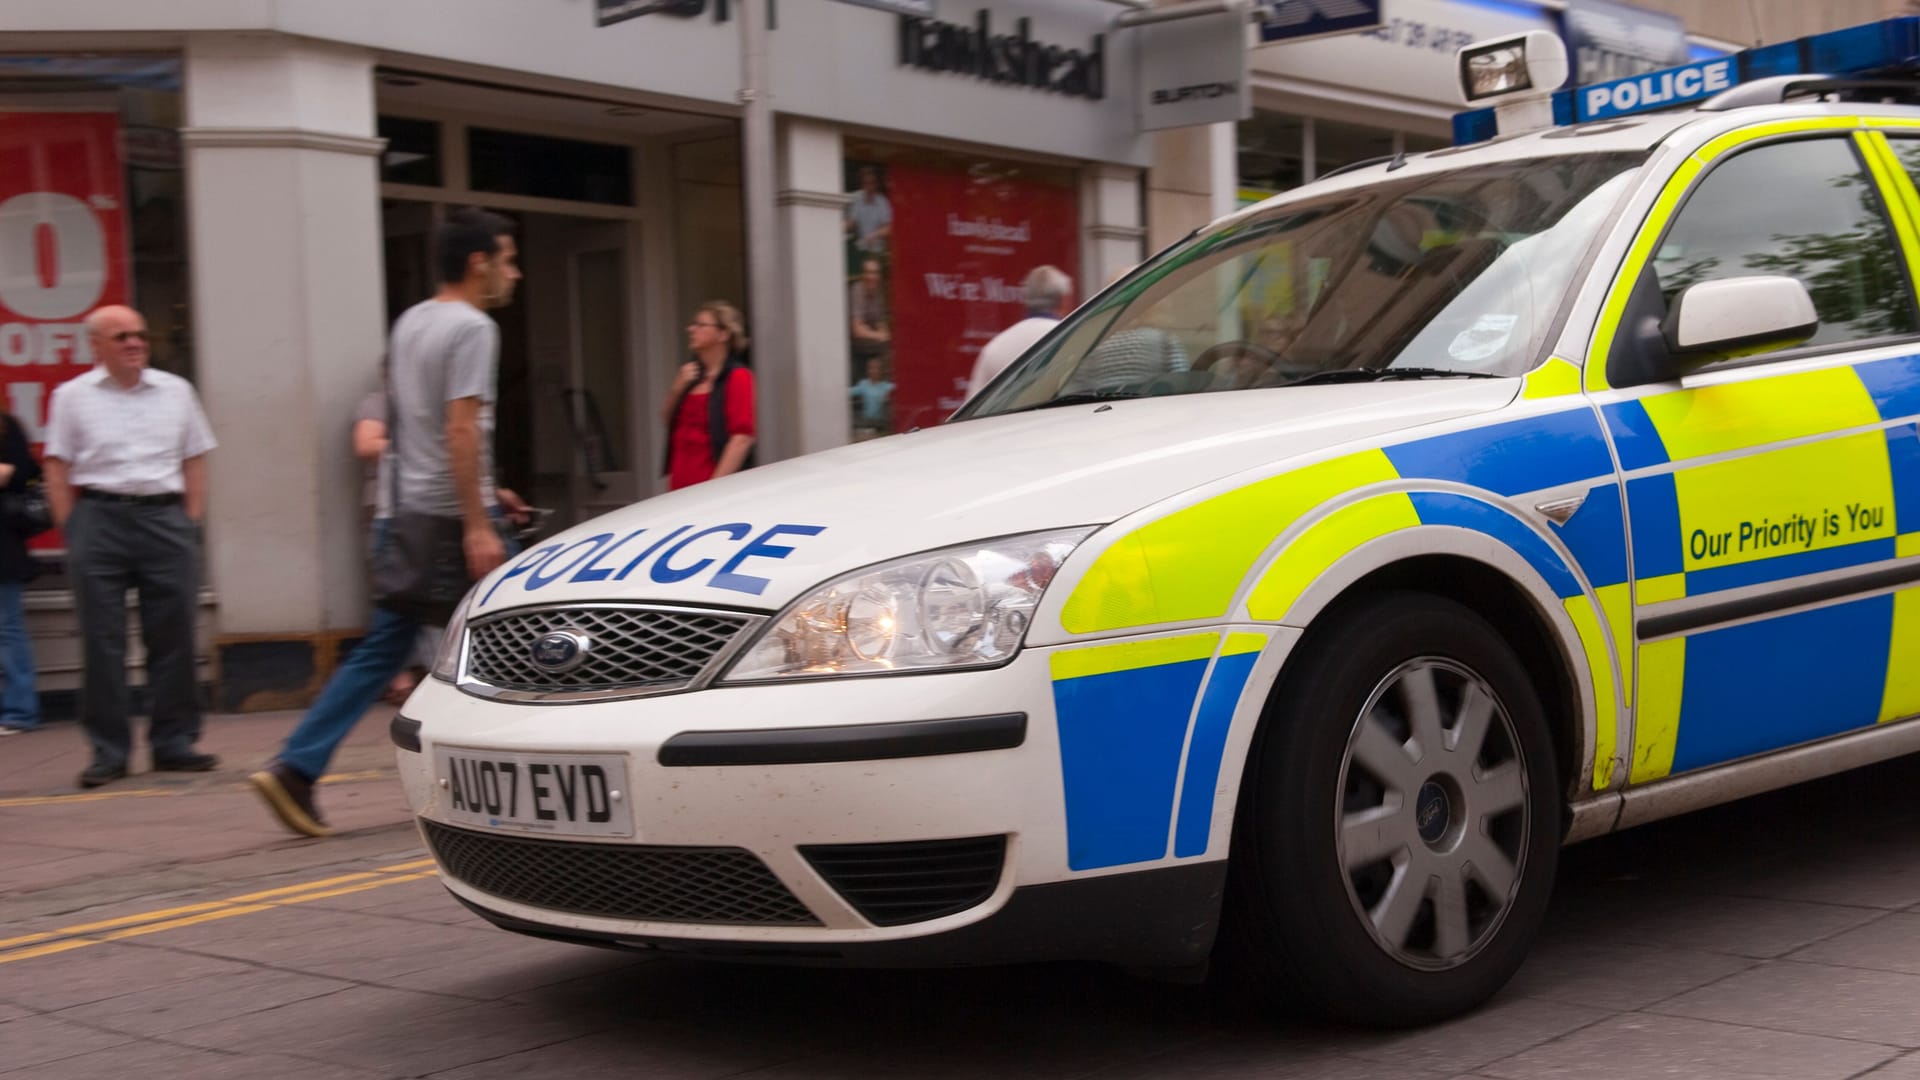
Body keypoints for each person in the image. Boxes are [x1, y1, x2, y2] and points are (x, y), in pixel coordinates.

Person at [251, 207, 520, 837]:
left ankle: (295, 767)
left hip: (404, 518)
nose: (516, 272)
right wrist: (478, 521)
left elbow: (411, 431)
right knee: (520, 645)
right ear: (478, 263)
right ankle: (521, 784)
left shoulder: (411, 323)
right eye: (507, 258)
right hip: (452, 522)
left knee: (381, 652)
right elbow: (458, 428)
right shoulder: (473, 327)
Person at [44, 305, 218, 787]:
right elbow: (56, 466)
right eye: (121, 336)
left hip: (165, 517)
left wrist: (189, 520)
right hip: (99, 518)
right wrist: (72, 530)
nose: (134, 343)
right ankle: (109, 750)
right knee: (102, 641)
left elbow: (195, 458)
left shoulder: (176, 391)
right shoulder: (71, 397)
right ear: (96, 346)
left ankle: (175, 742)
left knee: (175, 634)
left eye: (139, 334)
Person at [662, 302, 756, 490]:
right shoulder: (691, 375)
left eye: (701, 325)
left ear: (723, 334)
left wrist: (713, 489)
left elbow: (742, 438)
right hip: (679, 485)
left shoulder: (738, 377)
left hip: (711, 489)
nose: (691, 329)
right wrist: (677, 389)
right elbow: (666, 419)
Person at [965, 265, 1072, 400]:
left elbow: (971, 410)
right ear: (1065, 300)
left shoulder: (995, 348)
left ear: (1025, 300)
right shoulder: (1076, 340)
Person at [0, 412, 42, 736]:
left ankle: (20, 711)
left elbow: (12, 472)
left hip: (3, 544)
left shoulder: (6, 426)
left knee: (6, 627)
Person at [848, 258, 891, 380]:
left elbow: (880, 322)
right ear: (863, 274)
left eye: (875, 272)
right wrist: (879, 335)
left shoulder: (878, 292)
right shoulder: (857, 290)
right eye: (868, 272)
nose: (871, 276)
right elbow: (857, 330)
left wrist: (883, 333)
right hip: (854, 349)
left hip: (870, 348)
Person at [844, 166, 892, 268]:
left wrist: (875, 235)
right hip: (860, 247)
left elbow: (889, 228)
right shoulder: (857, 198)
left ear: (876, 184)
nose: (869, 187)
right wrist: (841, 226)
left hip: (878, 250)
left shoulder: (883, 202)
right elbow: (852, 222)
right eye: (866, 183)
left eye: (872, 183)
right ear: (862, 184)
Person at [849, 355, 894, 439]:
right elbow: (849, 392)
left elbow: (900, 390)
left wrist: (889, 398)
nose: (874, 371)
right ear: (868, 370)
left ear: (881, 370)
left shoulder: (887, 387)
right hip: (867, 425)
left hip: (881, 426)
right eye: (871, 368)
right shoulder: (864, 384)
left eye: (877, 368)